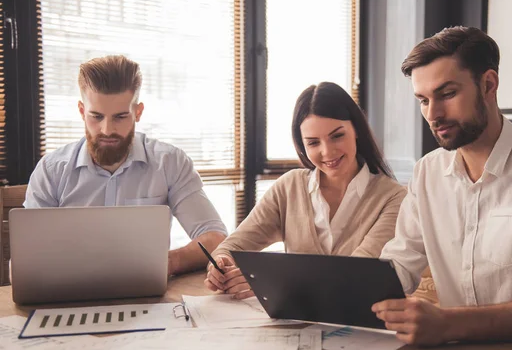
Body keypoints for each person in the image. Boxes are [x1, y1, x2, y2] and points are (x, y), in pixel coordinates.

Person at [372, 26, 512, 346]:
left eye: (447, 94)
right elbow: (397, 266)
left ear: (488, 84)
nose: (433, 114)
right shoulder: (426, 173)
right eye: (423, 100)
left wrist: (450, 323)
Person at [24, 55, 227, 276]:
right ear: (82, 111)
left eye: (120, 117)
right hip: (67, 296)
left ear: (137, 112)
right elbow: (24, 263)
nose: (106, 129)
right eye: (96, 116)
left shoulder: (169, 162)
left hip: (150, 299)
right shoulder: (51, 170)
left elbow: (214, 237)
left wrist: (167, 262)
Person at [205, 82, 407, 299]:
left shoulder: (393, 197)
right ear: (302, 146)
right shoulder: (289, 187)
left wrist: (266, 280)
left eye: (337, 136)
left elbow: (355, 273)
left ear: (356, 130)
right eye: (313, 143)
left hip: (359, 324)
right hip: (295, 326)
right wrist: (221, 266)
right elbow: (233, 245)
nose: (327, 152)